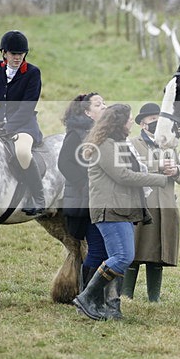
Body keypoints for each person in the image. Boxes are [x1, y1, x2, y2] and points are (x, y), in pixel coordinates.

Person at [72, 104, 176, 321]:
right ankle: (87, 297)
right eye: (129, 118)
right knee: (122, 257)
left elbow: (137, 169)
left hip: (123, 208)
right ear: (119, 122)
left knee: (118, 257)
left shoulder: (118, 144)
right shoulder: (106, 145)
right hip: (110, 209)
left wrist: (159, 167)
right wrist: (161, 179)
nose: (131, 122)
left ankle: (111, 307)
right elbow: (124, 176)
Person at [123, 102, 180, 302]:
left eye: (159, 120)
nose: (157, 123)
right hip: (140, 205)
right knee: (134, 251)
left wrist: (176, 171)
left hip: (166, 206)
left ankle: (154, 298)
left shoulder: (169, 144)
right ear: (143, 124)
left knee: (159, 252)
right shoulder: (132, 144)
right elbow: (130, 169)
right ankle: (126, 295)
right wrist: (157, 166)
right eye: (152, 120)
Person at [0, 30, 46, 215]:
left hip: (25, 124)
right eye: (13, 54)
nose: (17, 57)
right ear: (4, 53)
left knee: (23, 152)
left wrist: (7, 128)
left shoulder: (33, 73)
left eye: (21, 54)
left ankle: (39, 197)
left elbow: (27, 107)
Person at [57, 92, 108, 291]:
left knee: (101, 249)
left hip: (100, 199)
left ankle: (96, 294)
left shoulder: (101, 133)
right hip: (85, 201)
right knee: (95, 249)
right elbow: (64, 163)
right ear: (87, 112)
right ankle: (88, 296)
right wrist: (85, 183)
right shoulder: (76, 135)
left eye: (104, 102)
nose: (104, 106)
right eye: (98, 104)